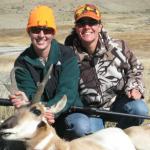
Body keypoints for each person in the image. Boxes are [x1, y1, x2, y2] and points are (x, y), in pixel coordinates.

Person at [64, 3, 149, 137]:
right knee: (90, 135)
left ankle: (120, 138)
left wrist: (135, 87)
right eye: (81, 23)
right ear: (76, 28)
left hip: (117, 104)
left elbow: (135, 68)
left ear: (100, 26)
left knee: (139, 109)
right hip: (89, 111)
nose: (87, 27)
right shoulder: (67, 56)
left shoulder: (118, 47)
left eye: (92, 22)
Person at [8, 5, 83, 142]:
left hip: (68, 113)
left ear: (53, 33)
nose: (41, 35)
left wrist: (46, 110)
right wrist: (26, 102)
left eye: (47, 30)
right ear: (29, 32)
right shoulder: (22, 62)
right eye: (36, 30)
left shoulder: (67, 55)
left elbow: (67, 92)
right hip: (38, 116)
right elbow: (30, 93)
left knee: (80, 126)